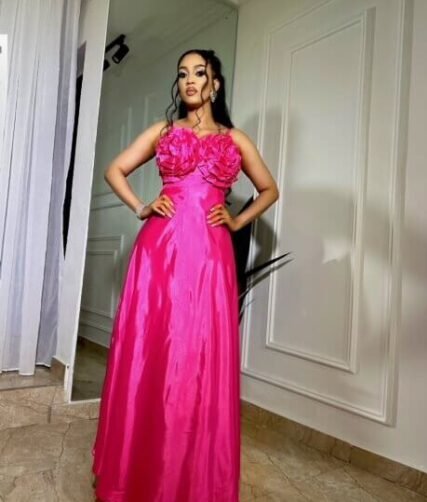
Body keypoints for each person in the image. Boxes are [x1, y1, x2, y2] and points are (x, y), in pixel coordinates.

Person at [91, 48, 279, 502]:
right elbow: (114, 169)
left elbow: (269, 189)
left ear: (215, 84)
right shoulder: (164, 130)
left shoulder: (234, 139)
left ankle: (187, 478)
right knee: (151, 350)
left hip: (210, 257)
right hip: (159, 252)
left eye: (199, 73)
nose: (190, 80)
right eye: (183, 74)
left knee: (195, 357)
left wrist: (237, 221)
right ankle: (136, 470)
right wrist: (141, 206)